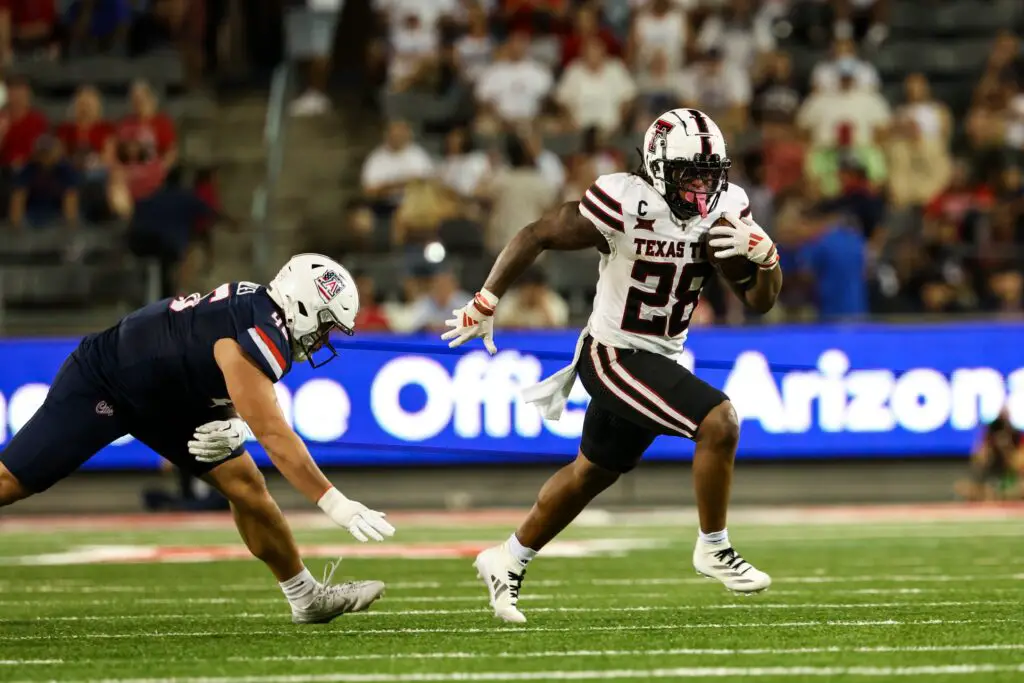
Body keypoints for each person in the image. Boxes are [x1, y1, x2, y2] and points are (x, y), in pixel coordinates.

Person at [442, 108, 781, 623]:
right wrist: (487, 300)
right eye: (692, 173)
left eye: (712, 174)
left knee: (589, 475)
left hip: (659, 355)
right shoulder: (625, 200)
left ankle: (506, 557)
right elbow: (537, 233)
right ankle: (713, 546)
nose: (703, 187)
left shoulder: (726, 211)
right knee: (719, 421)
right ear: (660, 167)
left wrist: (769, 260)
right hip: (613, 353)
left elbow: (760, 301)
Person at [0, 254, 395, 624]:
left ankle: (306, 598)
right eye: (326, 325)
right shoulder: (260, 330)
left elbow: (205, 360)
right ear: (303, 307)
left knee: (246, 486)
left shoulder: (262, 311)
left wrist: (234, 421)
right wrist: (334, 501)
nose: (325, 339)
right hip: (107, 382)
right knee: (12, 481)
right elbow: (273, 432)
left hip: (170, 395)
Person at [955, 408, 1023, 502]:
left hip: (1009, 469)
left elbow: (1017, 455)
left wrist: (1007, 450)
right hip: (993, 468)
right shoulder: (989, 439)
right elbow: (982, 448)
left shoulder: (1014, 434)